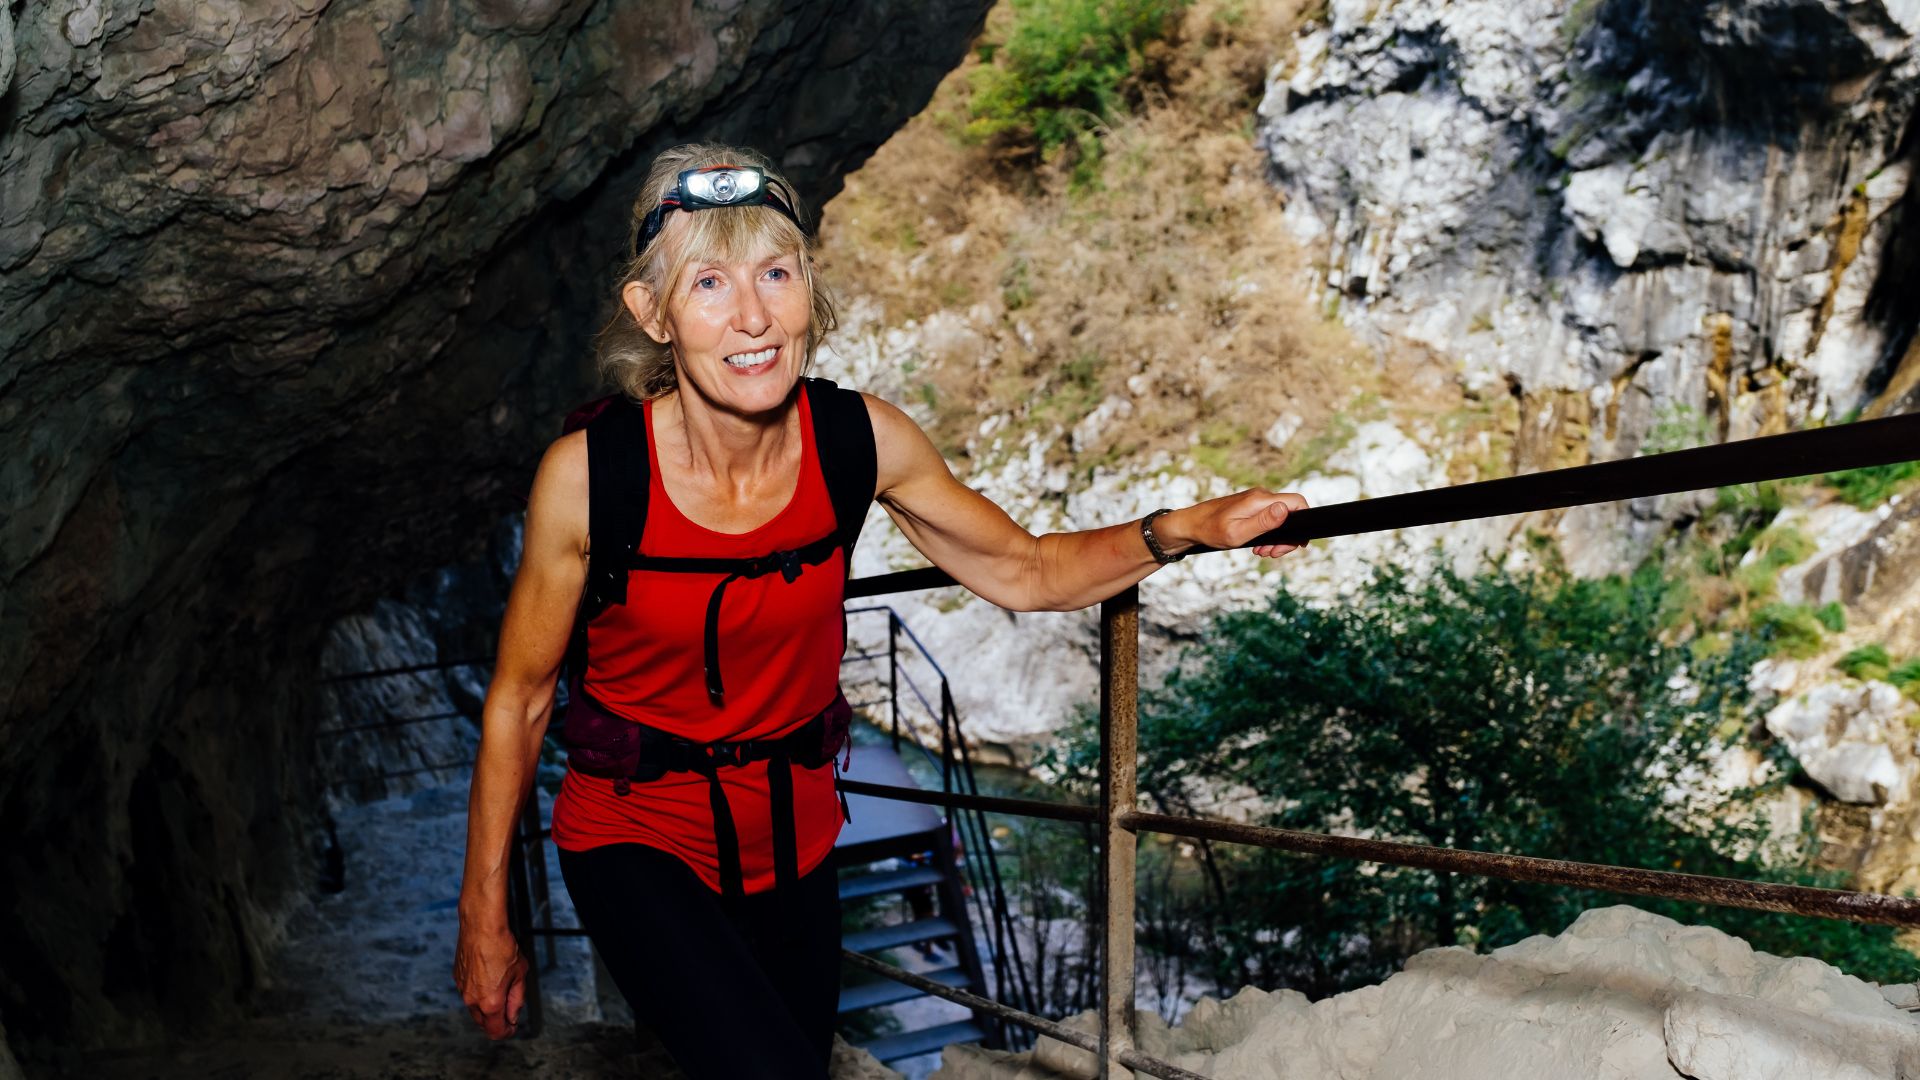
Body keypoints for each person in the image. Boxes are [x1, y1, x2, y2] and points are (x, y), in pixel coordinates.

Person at [452, 141, 1308, 1078]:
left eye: (776, 273)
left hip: (798, 835)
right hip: (635, 833)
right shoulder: (590, 480)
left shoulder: (861, 441)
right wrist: (484, 917)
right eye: (709, 283)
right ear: (652, 314)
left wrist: (1181, 528)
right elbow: (520, 699)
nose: (754, 315)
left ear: (808, 287)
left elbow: (1024, 569)